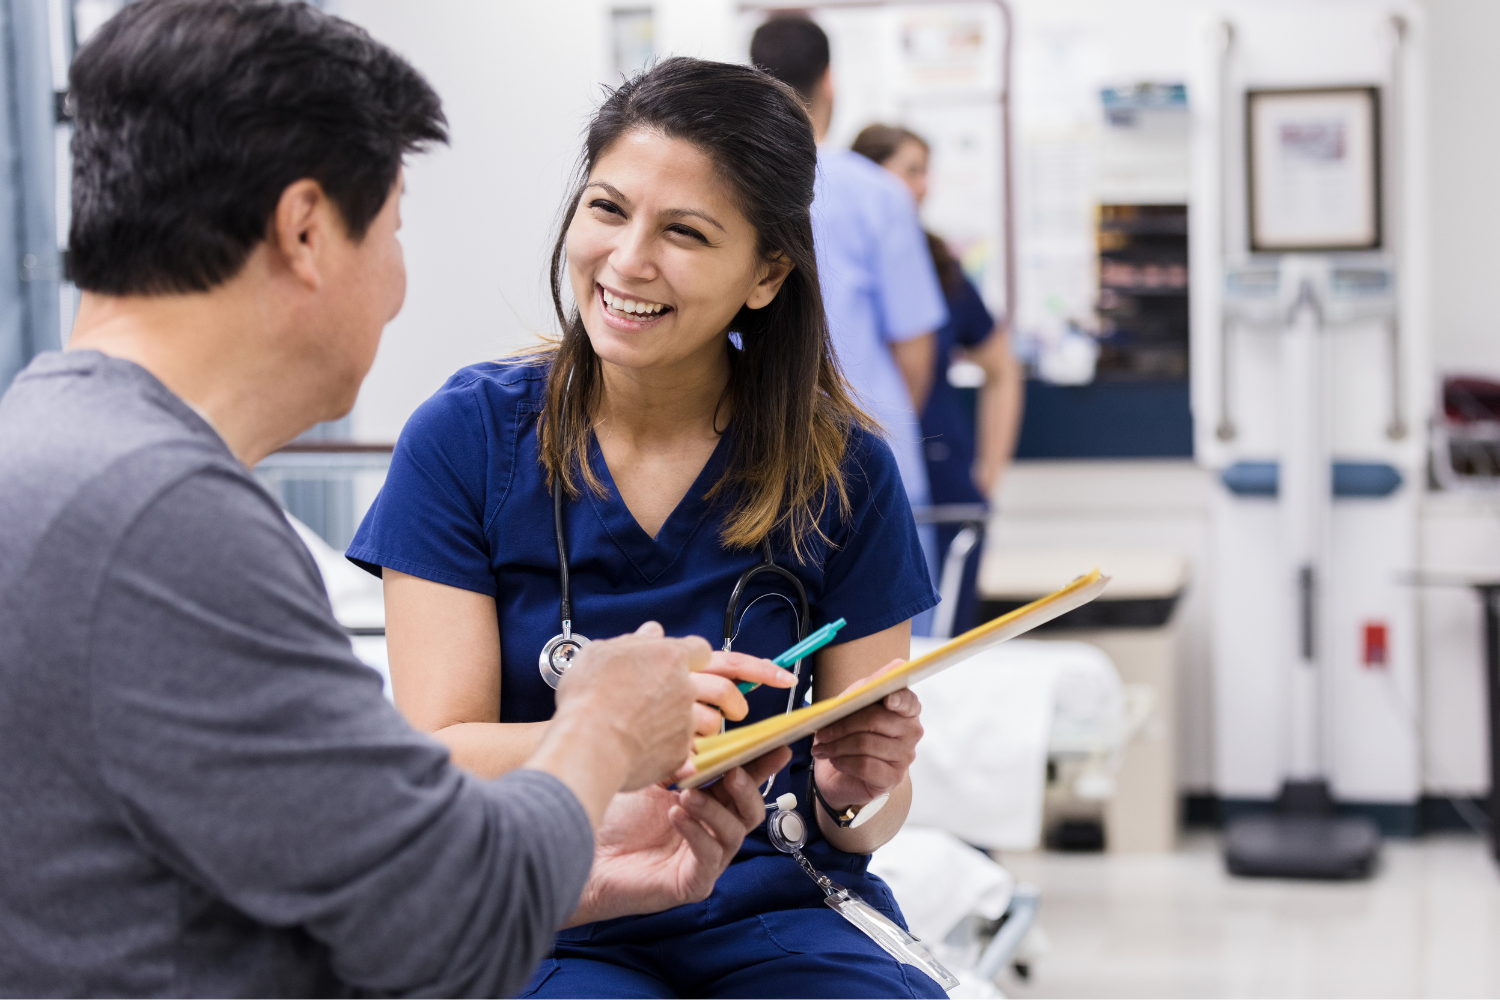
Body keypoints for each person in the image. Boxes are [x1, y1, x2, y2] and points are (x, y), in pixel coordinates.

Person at [0, 3, 780, 995]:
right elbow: (436, 926)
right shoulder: (161, 519)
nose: (400, 287)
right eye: (396, 230)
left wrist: (583, 872)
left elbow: (341, 873)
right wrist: (603, 726)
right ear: (308, 230)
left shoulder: (50, 448)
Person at [346, 57, 946, 999]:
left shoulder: (843, 471)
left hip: (781, 908)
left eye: (686, 232)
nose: (628, 261)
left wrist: (851, 788)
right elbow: (440, 755)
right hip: (553, 912)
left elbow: (865, 818)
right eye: (607, 210)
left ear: (768, 273)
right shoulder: (468, 440)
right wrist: (638, 727)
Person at [750, 17, 950, 629]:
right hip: (875, 466)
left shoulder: (738, 190)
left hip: (758, 469)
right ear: (830, 82)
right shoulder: (877, 194)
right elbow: (915, 350)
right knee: (892, 687)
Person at [852, 123, 1024, 634]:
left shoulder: (938, 265)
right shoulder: (833, 261)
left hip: (943, 481)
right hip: (867, 477)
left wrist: (989, 473)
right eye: (910, 170)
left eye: (926, 172)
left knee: (947, 643)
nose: (923, 186)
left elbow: (1002, 369)